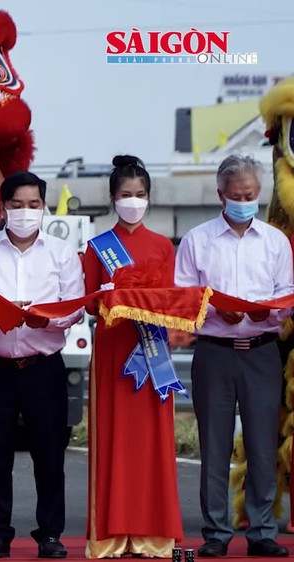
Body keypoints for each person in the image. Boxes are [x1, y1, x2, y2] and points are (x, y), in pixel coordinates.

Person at [0, 171, 84, 559]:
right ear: (4, 207)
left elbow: (75, 306)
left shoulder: (61, 252)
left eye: (33, 204)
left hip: (43, 365)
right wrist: (3, 312)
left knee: (49, 455)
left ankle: (50, 534)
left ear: (44, 207)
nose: (25, 212)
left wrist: (48, 319)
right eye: (16, 205)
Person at [175, 155, 293, 558]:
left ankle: (261, 530)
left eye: (251, 195)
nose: (245, 202)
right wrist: (215, 310)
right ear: (221, 194)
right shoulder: (197, 240)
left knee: (262, 445)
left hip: (261, 351)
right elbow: (184, 297)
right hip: (215, 352)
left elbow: (286, 294)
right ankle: (216, 532)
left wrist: (268, 313)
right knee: (214, 445)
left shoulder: (275, 242)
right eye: (237, 196)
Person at [82, 156, 183, 558]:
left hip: (152, 351)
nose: (133, 201)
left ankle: (152, 534)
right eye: (126, 194)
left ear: (149, 198)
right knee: (113, 438)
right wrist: (112, 297)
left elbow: (171, 299)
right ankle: (110, 534)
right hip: (113, 350)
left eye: (140, 194)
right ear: (113, 198)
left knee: (151, 441)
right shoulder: (97, 247)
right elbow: (90, 303)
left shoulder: (162, 246)